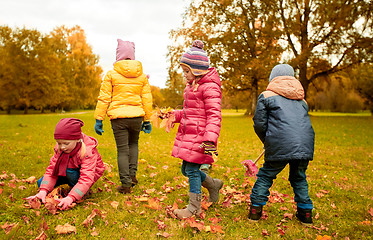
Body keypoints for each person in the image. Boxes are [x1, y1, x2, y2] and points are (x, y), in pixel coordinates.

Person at [248, 64, 315, 225]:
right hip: (305, 144)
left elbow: (259, 123)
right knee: (299, 178)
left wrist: (267, 140)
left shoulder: (266, 95)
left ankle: (255, 211)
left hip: (279, 143)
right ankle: (305, 213)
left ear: (273, 78)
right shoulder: (301, 99)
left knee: (266, 175)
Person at [169, 40, 224, 219]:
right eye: (184, 71)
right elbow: (188, 113)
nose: (184, 75)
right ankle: (213, 184)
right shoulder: (192, 87)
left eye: (187, 71)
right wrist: (173, 115)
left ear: (197, 70)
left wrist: (209, 139)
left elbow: (214, 115)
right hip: (190, 135)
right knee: (185, 170)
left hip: (201, 138)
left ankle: (194, 208)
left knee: (192, 171)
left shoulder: (210, 87)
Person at [94, 39, 153, 194]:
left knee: (122, 150)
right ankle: (132, 177)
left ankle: (125, 184)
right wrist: (147, 120)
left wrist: (99, 119)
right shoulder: (141, 76)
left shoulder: (111, 74)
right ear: (132, 56)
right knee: (133, 145)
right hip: (136, 117)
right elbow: (147, 99)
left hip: (118, 119)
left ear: (118, 55)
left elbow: (104, 97)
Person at [26, 118, 105, 210]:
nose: (62, 147)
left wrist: (71, 197)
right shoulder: (60, 148)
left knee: (70, 172)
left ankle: (80, 191)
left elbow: (86, 178)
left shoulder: (88, 151)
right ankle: (49, 189)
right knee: (41, 183)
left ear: (77, 139)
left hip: (84, 176)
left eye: (66, 143)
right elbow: (52, 169)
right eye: (59, 143)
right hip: (68, 170)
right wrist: (43, 191)